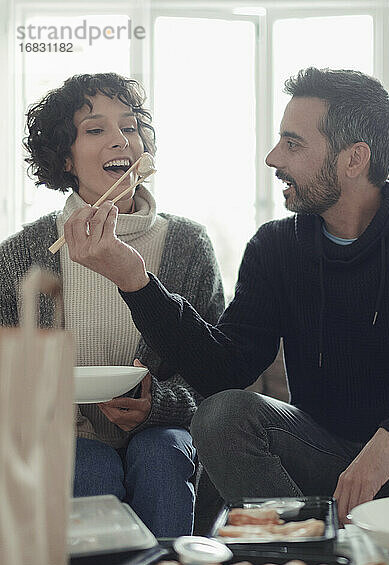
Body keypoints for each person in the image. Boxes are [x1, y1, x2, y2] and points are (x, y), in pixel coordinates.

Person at [62, 67, 389, 528]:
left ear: (354, 159)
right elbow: (224, 369)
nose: (274, 158)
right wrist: (137, 282)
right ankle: (310, 555)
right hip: (322, 460)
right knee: (222, 416)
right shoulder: (276, 247)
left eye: (293, 143)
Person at [0, 72, 225, 541]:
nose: (120, 140)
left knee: (162, 456)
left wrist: (158, 406)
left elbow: (218, 372)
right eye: (95, 129)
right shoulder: (25, 252)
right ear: (66, 156)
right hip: (65, 432)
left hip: (164, 430)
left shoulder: (187, 244)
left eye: (130, 125)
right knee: (86, 468)